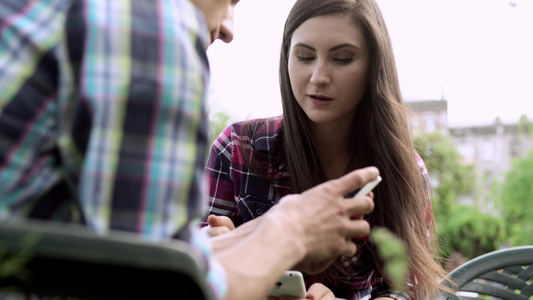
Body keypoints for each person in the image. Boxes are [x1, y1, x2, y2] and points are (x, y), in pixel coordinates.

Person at [0, 0, 378, 300]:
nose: (229, 28)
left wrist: (259, 232)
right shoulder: (145, 25)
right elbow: (156, 286)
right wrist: (288, 231)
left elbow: (120, 245)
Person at [204, 0, 449, 299]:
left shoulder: (403, 169)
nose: (319, 76)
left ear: (373, 66)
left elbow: (407, 288)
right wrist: (212, 244)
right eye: (305, 56)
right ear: (286, 58)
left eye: (342, 58)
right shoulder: (236, 149)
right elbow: (186, 270)